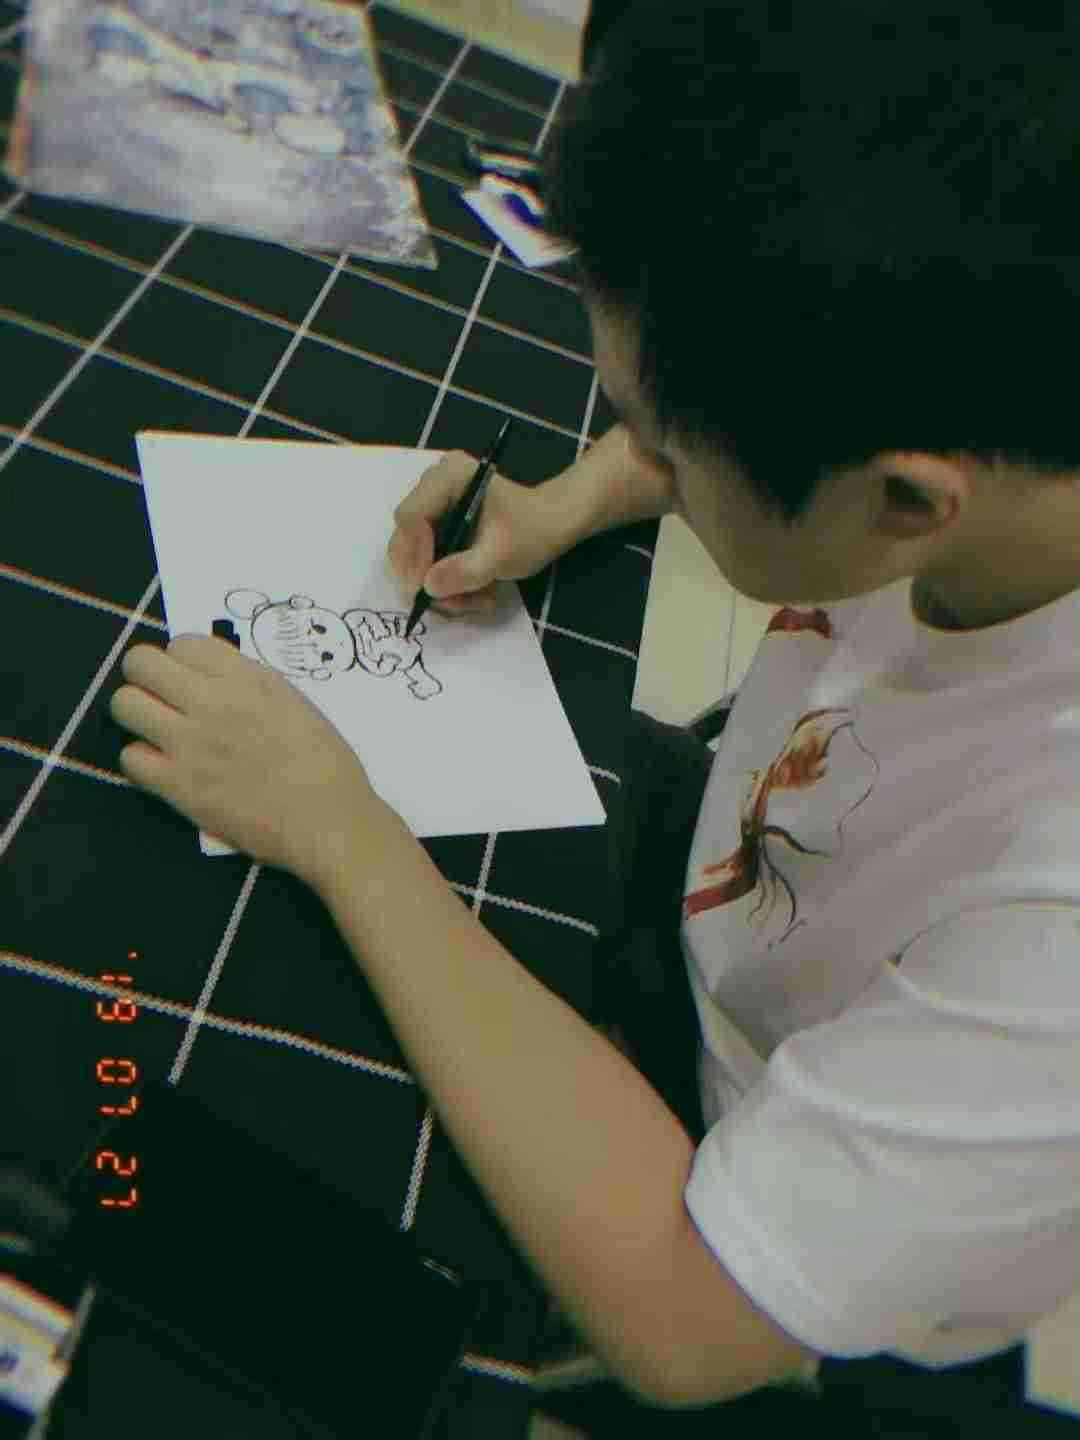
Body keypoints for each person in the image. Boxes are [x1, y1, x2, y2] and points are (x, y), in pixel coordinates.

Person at [389, 1, 1080, 1433]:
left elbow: (692, 1325)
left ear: (906, 501)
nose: (638, 457)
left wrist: (346, 836)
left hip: (792, 1224)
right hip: (744, 901)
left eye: (663, 443)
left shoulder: (1056, 928)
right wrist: (566, 502)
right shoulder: (996, 404)